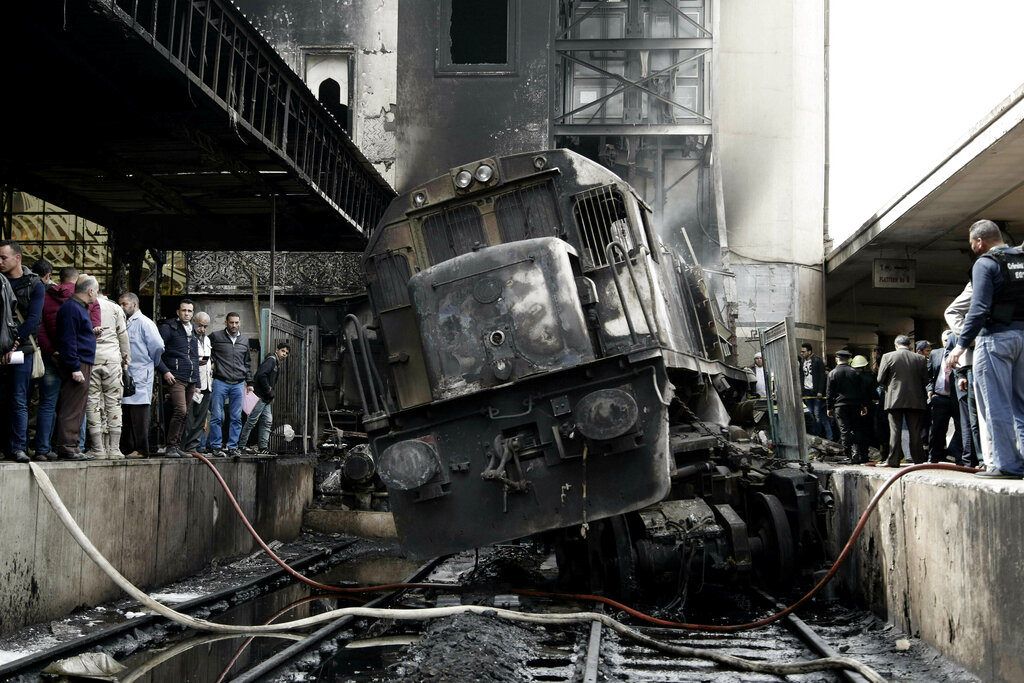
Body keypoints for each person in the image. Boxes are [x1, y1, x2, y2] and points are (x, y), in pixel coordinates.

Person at [947, 219, 1024, 479]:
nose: (972, 248)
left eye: (972, 243)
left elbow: (978, 309)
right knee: (1021, 405)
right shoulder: (1021, 259)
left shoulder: (985, 264)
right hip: (1023, 337)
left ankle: (1006, 465)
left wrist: (959, 347)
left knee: (996, 405)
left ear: (980, 241)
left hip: (995, 339)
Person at [0, 240, 46, 464]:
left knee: (19, 398)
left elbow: (34, 320)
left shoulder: (34, 284)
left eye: (3, 257)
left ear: (17, 258)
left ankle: (18, 447)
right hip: (4, 349)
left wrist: (14, 343)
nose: (0, 262)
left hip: (21, 350)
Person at [54, 276, 99, 460]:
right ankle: (68, 446)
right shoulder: (72, 308)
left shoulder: (76, 307)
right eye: (96, 290)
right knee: (72, 405)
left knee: (77, 405)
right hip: (78, 362)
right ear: (90, 291)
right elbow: (69, 339)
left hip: (82, 361)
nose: (97, 294)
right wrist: (74, 367)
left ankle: (72, 445)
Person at [85, 292, 131, 458]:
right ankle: (114, 449)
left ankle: (98, 449)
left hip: (91, 359)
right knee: (114, 403)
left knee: (93, 403)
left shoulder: (84, 304)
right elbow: (123, 336)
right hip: (112, 360)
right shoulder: (115, 308)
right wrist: (126, 360)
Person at [119, 292, 164, 457]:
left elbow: (158, 346)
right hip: (128, 372)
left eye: (125, 304)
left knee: (139, 413)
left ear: (134, 304)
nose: (122, 307)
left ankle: (141, 448)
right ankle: (128, 447)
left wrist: (150, 361)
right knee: (127, 413)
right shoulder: (125, 322)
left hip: (141, 371)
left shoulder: (145, 323)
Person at [944, 283, 983, 467]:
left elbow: (951, 311)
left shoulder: (959, 333)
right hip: (967, 372)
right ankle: (978, 459)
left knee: (973, 418)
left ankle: (977, 459)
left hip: (970, 370)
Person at [877, 335, 929, 467]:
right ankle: (919, 460)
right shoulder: (920, 358)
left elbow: (880, 379)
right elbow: (925, 380)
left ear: (896, 345)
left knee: (895, 430)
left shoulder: (887, 357)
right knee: (915, 431)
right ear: (910, 345)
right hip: (915, 400)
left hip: (894, 399)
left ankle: (893, 460)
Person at [156, 299, 199, 458]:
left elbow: (194, 357)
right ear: (178, 312)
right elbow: (156, 353)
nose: (186, 313)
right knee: (180, 410)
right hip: (176, 376)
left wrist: (198, 381)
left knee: (186, 412)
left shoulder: (193, 330)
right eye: (184, 310)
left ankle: (176, 445)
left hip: (191, 378)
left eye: (189, 311)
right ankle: (171, 446)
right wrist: (165, 371)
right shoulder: (168, 328)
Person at [207, 312, 253, 457]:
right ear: (226, 322)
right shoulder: (215, 337)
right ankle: (216, 446)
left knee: (236, 417)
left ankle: (232, 447)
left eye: (236, 323)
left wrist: (250, 382)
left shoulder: (244, 340)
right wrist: (212, 365)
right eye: (231, 322)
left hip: (239, 383)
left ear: (240, 323)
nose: (234, 325)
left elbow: (247, 362)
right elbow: (204, 349)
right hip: (220, 381)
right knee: (216, 416)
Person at [240, 341, 290, 454]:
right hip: (260, 397)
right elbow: (261, 374)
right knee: (251, 422)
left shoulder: (275, 362)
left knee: (267, 422)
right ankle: (241, 446)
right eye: (283, 351)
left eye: (286, 353)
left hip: (266, 398)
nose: (284, 354)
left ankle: (263, 447)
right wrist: (268, 389)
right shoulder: (271, 360)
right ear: (277, 350)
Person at [826, 349, 870, 464]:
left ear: (837, 359)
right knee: (856, 428)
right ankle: (858, 453)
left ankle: (848, 455)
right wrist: (863, 405)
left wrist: (829, 407)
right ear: (848, 359)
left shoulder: (832, 373)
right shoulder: (855, 372)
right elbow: (861, 391)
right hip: (855, 405)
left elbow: (829, 393)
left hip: (840, 405)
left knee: (844, 430)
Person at [926, 330, 962, 465]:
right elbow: (929, 375)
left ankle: (957, 454)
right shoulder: (935, 354)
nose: (948, 342)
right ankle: (935, 456)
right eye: (945, 340)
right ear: (942, 341)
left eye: (950, 340)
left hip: (957, 396)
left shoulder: (960, 352)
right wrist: (930, 390)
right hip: (940, 396)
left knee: (961, 428)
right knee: (937, 429)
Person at [183, 312, 213, 453]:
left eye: (205, 326)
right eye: (200, 325)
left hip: (206, 384)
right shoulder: (189, 338)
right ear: (194, 322)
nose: (202, 329)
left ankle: (193, 446)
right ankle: (185, 445)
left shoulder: (207, 340)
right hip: (193, 383)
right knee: (189, 416)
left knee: (201, 418)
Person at [798, 342, 832, 440]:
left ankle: (819, 436)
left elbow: (822, 377)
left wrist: (820, 391)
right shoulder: (803, 362)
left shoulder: (817, 360)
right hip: (807, 391)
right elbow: (801, 376)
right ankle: (816, 435)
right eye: (801, 351)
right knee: (811, 413)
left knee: (817, 414)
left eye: (803, 351)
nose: (802, 353)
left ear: (809, 351)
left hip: (816, 392)